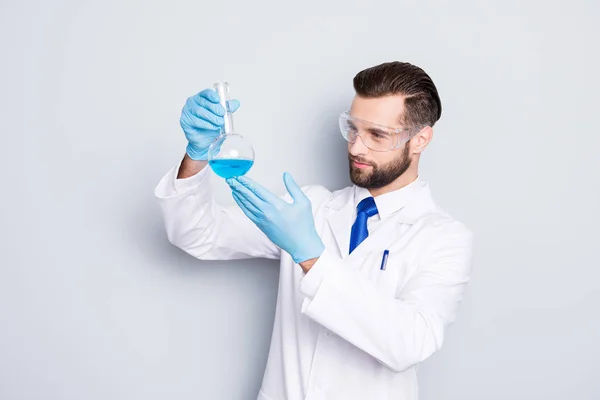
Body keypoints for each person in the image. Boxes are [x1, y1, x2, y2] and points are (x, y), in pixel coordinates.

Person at [155, 61, 473, 400]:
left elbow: (409, 344)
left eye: (377, 135)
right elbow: (197, 233)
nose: (355, 147)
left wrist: (311, 257)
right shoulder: (310, 208)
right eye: (352, 129)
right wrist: (196, 154)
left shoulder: (444, 237)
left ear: (420, 139)